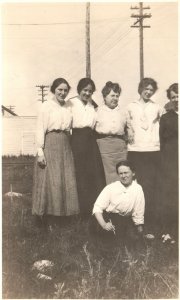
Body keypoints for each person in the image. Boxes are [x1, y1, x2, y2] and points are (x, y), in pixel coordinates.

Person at [32, 78, 79, 229]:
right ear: (53, 90)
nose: (63, 93)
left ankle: (63, 218)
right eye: (60, 89)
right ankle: (47, 219)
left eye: (65, 90)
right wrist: (40, 151)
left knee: (64, 180)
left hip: (65, 143)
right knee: (51, 181)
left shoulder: (69, 106)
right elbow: (40, 128)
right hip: (50, 143)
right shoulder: (46, 106)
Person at [126, 78, 162, 229]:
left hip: (152, 150)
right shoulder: (130, 106)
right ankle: (133, 219)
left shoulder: (157, 107)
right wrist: (129, 131)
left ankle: (149, 219)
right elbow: (127, 125)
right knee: (135, 184)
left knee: (150, 185)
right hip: (135, 150)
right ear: (140, 88)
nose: (148, 92)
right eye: (146, 88)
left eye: (151, 90)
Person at [67, 78, 106, 215]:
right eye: (85, 90)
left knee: (92, 173)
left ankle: (92, 208)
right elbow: (67, 124)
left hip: (90, 140)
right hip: (77, 140)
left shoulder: (91, 105)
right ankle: (80, 209)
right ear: (79, 90)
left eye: (90, 91)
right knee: (79, 173)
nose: (87, 93)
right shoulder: (70, 103)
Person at [92, 160, 145, 247]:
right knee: (112, 244)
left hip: (126, 220)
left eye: (126, 173)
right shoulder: (111, 188)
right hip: (109, 218)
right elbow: (97, 208)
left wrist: (140, 231)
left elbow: (139, 210)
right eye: (120, 173)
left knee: (134, 241)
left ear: (133, 173)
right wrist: (104, 224)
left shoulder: (138, 188)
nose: (123, 176)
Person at [95, 81, 127, 184]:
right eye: (112, 95)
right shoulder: (97, 111)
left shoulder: (123, 112)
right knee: (107, 175)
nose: (115, 98)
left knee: (122, 173)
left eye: (117, 96)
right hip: (104, 146)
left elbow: (128, 128)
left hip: (120, 146)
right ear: (104, 97)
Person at [159, 83, 178, 243]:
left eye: (179, 96)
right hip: (172, 161)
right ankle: (168, 230)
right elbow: (162, 141)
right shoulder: (166, 118)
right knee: (171, 194)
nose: (177, 99)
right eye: (173, 97)